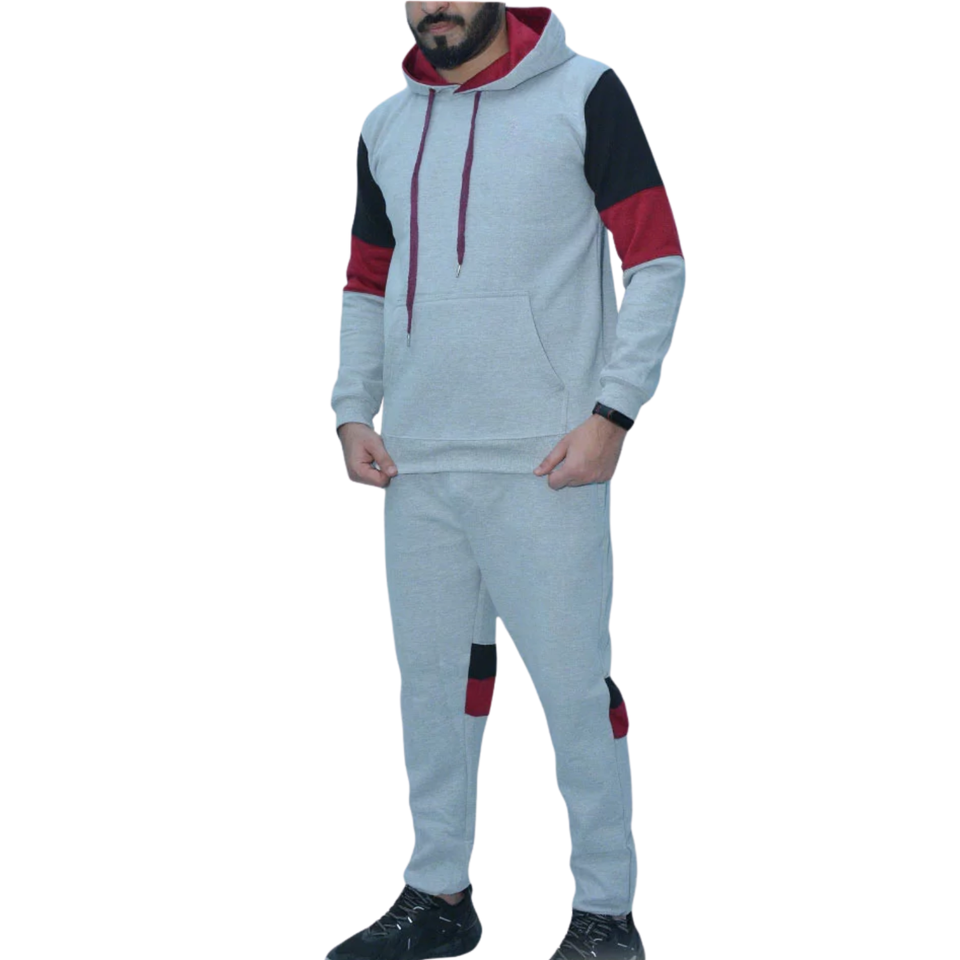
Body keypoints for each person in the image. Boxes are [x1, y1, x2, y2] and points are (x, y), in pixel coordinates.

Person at [328, 4, 684, 958]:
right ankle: (438, 895)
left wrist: (613, 415)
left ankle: (606, 913)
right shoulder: (385, 126)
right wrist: (354, 407)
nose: (433, 6)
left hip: (547, 462)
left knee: (574, 692)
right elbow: (366, 281)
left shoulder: (584, 94)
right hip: (418, 462)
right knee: (434, 690)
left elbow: (657, 260)